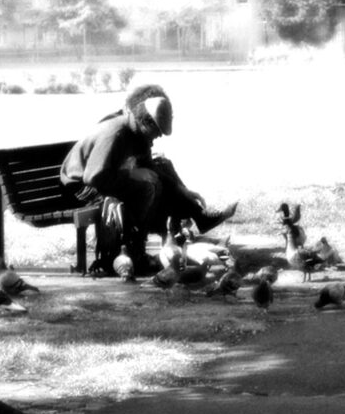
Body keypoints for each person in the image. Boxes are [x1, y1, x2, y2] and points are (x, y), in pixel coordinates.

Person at [61, 84, 236, 275]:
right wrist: (131, 175)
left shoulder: (139, 134)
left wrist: (181, 190)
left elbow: (151, 168)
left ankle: (157, 238)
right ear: (147, 122)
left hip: (101, 178)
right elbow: (94, 176)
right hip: (80, 187)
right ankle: (134, 251)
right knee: (145, 188)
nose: (159, 136)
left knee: (155, 179)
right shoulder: (116, 133)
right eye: (158, 131)